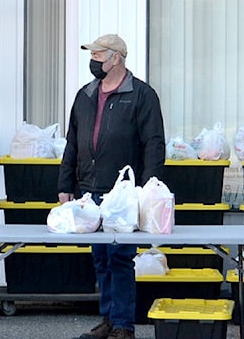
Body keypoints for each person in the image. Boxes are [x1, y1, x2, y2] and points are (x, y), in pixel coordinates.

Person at [58, 34, 165, 339]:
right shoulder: (85, 94)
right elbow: (72, 142)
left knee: (120, 258)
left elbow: (154, 145)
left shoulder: (141, 95)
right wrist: (65, 183)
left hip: (124, 195)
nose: (93, 62)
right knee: (101, 258)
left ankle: (123, 326)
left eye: (98, 56)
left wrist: (149, 189)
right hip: (89, 192)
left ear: (116, 58)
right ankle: (107, 320)